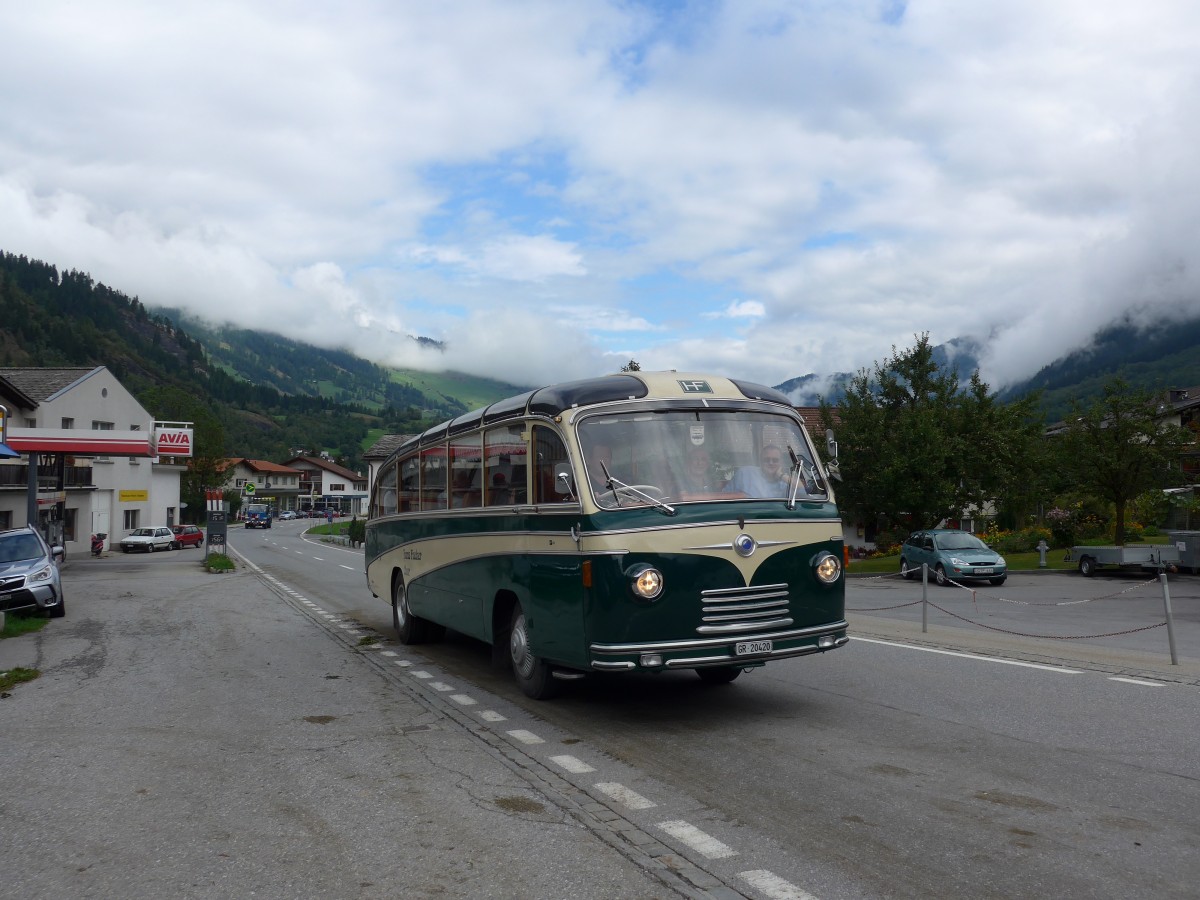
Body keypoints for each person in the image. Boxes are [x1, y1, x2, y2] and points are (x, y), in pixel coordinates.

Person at [725, 444, 790, 498]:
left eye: (775, 460)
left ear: (780, 463)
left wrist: (782, 476)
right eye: (766, 460)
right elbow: (725, 497)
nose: (771, 463)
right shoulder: (744, 474)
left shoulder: (785, 482)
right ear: (760, 462)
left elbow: (800, 491)